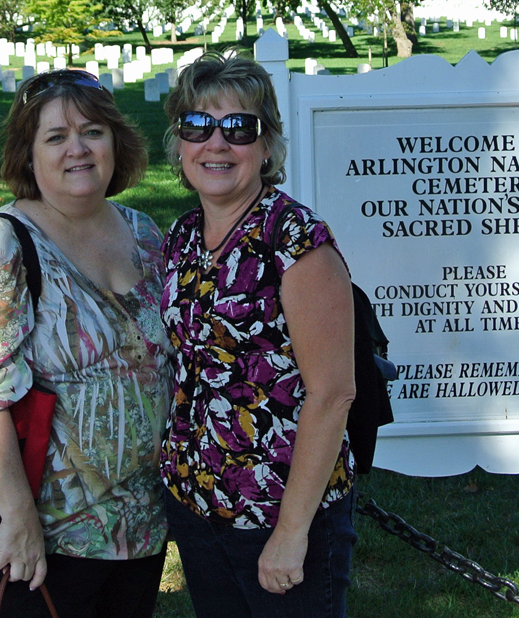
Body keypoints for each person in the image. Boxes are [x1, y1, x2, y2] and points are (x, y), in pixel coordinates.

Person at [0, 69, 173, 618]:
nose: (78, 149)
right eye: (56, 137)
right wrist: (18, 518)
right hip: (41, 542)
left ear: (116, 141)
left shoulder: (146, 233)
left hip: (139, 530)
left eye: (92, 131)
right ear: (28, 154)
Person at [159, 51, 358, 618]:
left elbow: (332, 392)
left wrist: (291, 535)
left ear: (266, 145)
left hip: (279, 515)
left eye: (239, 128)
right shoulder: (183, 238)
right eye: (198, 125)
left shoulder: (296, 242)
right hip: (198, 509)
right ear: (180, 143)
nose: (216, 144)